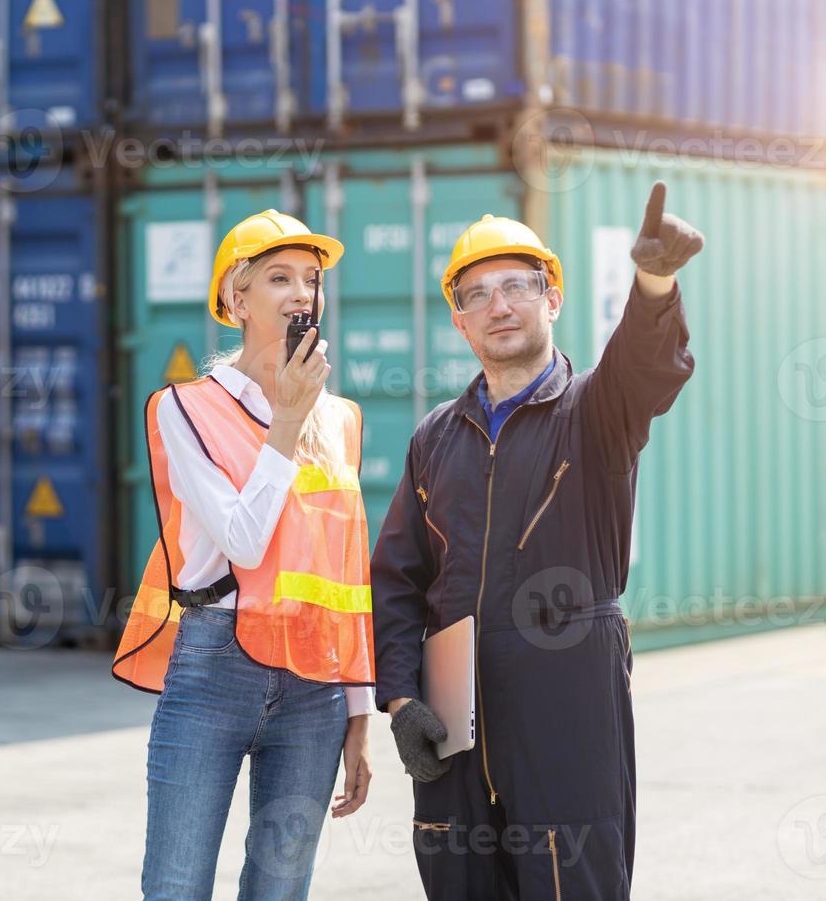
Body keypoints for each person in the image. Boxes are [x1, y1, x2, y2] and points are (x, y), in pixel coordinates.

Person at [372, 183, 703, 900]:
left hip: (566, 706)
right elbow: (397, 578)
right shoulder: (436, 437)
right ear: (460, 323)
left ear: (551, 299)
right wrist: (401, 702)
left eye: (517, 285)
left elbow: (646, 368)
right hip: (454, 730)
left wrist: (654, 282)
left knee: (570, 874)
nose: (499, 305)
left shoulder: (595, 411)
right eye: (477, 294)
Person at [112, 208, 378, 900]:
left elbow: (344, 578)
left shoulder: (342, 419)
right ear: (236, 298)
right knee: (176, 886)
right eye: (278, 278)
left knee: (281, 888)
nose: (301, 294)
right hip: (214, 668)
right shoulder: (186, 407)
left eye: (311, 280)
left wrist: (358, 712)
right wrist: (287, 421)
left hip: (316, 684)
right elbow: (243, 541)